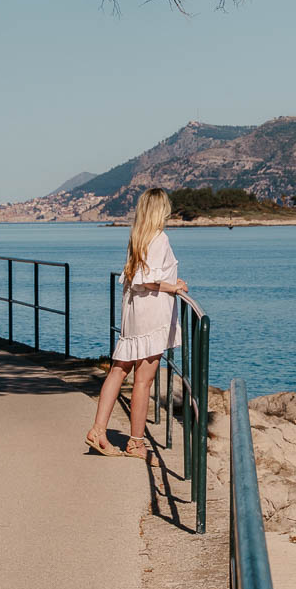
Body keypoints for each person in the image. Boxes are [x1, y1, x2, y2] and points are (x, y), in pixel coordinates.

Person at [86, 188, 187, 458]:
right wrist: (173, 287)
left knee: (118, 370)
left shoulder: (138, 235)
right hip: (151, 315)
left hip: (133, 313)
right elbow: (147, 279)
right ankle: (136, 443)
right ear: (160, 210)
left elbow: (136, 277)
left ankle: (98, 430)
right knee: (144, 380)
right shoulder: (160, 238)